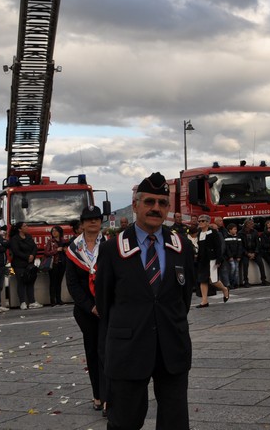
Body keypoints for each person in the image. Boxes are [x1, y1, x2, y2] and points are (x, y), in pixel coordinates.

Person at [96, 172, 195, 430]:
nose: (156, 208)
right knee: (124, 423)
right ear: (136, 204)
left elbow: (183, 300)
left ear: (168, 208)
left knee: (175, 423)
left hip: (172, 348)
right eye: (149, 202)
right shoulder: (112, 249)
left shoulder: (182, 246)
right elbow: (105, 304)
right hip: (128, 350)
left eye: (162, 203)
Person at [66, 203, 107, 414]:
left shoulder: (109, 245)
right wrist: (90, 306)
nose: (93, 222)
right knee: (92, 352)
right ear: (81, 224)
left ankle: (108, 396)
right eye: (89, 219)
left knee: (106, 351)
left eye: (97, 218)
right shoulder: (73, 249)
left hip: (107, 308)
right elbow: (72, 284)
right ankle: (98, 395)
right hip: (86, 311)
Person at [195, 214, 229, 307]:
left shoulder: (213, 232)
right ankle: (204, 301)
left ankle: (224, 289)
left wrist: (219, 259)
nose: (200, 223)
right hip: (202, 260)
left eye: (203, 221)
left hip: (212, 259)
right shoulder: (199, 233)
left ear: (207, 223)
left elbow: (218, 247)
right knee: (202, 280)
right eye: (199, 221)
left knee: (213, 280)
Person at [43, 225, 67, 306]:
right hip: (53, 264)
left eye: (56, 231)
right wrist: (56, 250)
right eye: (52, 231)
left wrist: (65, 250)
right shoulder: (50, 241)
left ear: (60, 232)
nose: (54, 232)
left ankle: (59, 300)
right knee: (53, 282)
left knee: (59, 282)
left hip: (62, 263)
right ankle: (52, 301)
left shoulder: (64, 241)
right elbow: (46, 252)